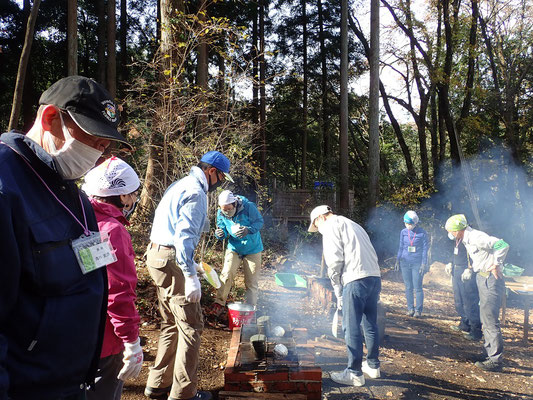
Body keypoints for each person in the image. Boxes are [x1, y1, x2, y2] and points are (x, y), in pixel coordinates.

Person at [0, 75, 130, 400]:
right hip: (28, 387)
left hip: (73, 383)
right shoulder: (6, 188)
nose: (100, 153)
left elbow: (92, 265)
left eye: (105, 146)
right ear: (50, 119)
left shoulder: (71, 191)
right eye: (95, 140)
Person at [144, 151, 233, 400]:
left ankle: (158, 384)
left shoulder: (180, 184)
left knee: (171, 322)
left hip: (156, 256)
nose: (221, 183)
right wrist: (189, 272)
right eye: (222, 177)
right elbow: (183, 237)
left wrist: (190, 264)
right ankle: (184, 393)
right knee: (191, 326)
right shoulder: (196, 192)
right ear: (211, 171)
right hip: (172, 258)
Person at [82, 157, 143, 400]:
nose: (135, 199)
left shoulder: (81, 217)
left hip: (77, 331)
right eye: (133, 194)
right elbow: (117, 292)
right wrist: (131, 340)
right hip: (104, 340)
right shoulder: (113, 230)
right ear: (123, 197)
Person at [308, 205, 381, 387]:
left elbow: (335, 260)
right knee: (370, 323)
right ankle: (373, 366)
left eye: (316, 226)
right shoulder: (354, 224)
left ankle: (354, 373)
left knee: (351, 325)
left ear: (320, 218)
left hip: (355, 279)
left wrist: (337, 288)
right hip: (374, 277)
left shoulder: (330, 226)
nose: (318, 230)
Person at [445, 214, 509, 372]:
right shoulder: (466, 239)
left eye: (452, 231)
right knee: (484, 317)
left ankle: (495, 360)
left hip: (490, 280)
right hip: (481, 277)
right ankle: (487, 353)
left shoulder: (476, 237)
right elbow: (479, 257)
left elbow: (502, 244)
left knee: (490, 320)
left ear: (459, 230)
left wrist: (496, 264)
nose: (451, 234)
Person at [207, 190, 264, 318]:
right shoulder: (221, 212)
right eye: (224, 209)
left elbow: (259, 222)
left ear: (234, 204)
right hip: (234, 248)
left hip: (253, 248)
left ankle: (251, 309)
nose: (226, 212)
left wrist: (248, 230)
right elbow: (221, 228)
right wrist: (220, 234)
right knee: (226, 274)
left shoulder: (248, 206)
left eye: (228, 209)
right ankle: (219, 304)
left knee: (251, 281)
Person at [445, 232, 482, 341]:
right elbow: (454, 253)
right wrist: (450, 263)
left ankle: (476, 331)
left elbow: (474, 256)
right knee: (459, 300)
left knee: (469, 302)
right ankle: (464, 324)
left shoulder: (468, 240)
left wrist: (469, 269)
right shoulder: (457, 240)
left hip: (466, 272)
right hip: (456, 270)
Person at [394, 211, 429, 317]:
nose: (408, 226)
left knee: (417, 287)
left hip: (417, 263)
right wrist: (397, 260)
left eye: (410, 224)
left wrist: (424, 263)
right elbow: (401, 247)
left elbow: (425, 250)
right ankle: (410, 309)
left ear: (415, 223)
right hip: (405, 263)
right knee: (408, 287)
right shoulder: (403, 232)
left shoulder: (422, 233)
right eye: (406, 223)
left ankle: (418, 310)